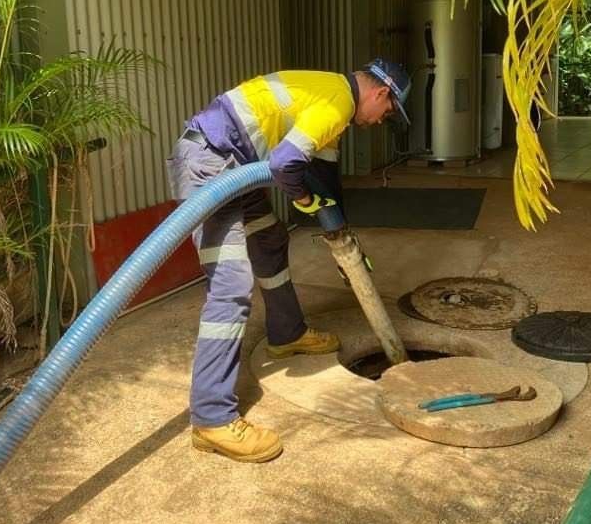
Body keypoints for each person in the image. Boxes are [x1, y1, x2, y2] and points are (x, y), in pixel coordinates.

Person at [166, 59, 411, 462]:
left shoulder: (334, 101)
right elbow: (284, 165)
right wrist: (301, 198)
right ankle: (211, 418)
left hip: (232, 161)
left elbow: (326, 182)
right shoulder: (335, 105)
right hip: (210, 165)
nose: (381, 120)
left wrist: (343, 242)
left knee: (270, 239)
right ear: (381, 93)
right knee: (230, 287)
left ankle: (286, 334)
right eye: (388, 112)